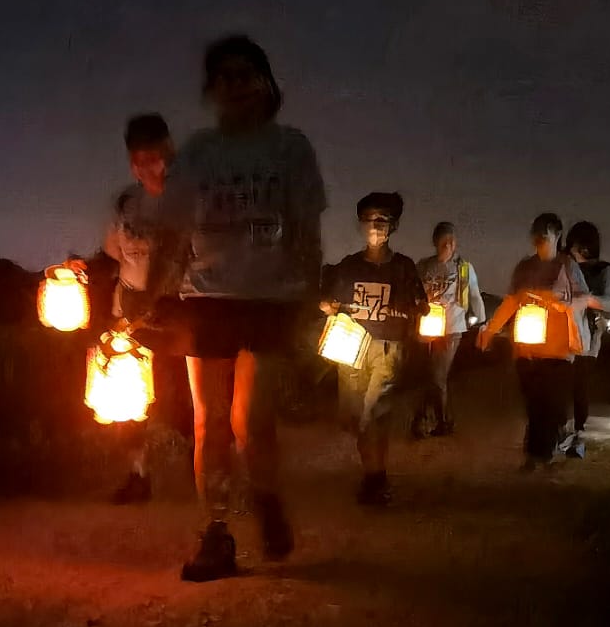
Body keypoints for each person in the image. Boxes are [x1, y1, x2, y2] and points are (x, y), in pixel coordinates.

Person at [149, 34, 327, 582]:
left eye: (246, 75)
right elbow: (173, 232)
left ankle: (266, 494)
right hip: (207, 298)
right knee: (208, 421)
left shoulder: (290, 148)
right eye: (225, 77)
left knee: (251, 419)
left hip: (272, 298)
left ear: (265, 83)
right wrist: (151, 294)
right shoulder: (199, 153)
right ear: (212, 89)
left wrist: (311, 295)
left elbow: (306, 230)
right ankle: (216, 531)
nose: (237, 86)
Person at [321, 193, 429, 504]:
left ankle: (377, 479)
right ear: (361, 224)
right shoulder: (349, 266)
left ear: (394, 226)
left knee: (375, 414)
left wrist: (410, 310)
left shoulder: (403, 267)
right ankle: (372, 474)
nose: (376, 226)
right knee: (357, 418)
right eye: (370, 220)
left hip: (387, 349)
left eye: (382, 220)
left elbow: (422, 306)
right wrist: (328, 305)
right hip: (351, 348)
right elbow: (328, 300)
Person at [477, 213, 597, 470]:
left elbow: (584, 298)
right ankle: (536, 452)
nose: (539, 237)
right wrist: (491, 329)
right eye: (536, 232)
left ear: (557, 235)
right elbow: (511, 301)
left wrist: (564, 303)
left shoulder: (567, 266)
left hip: (558, 349)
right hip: (528, 346)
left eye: (545, 232)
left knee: (551, 402)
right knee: (533, 402)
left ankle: (543, 451)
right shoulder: (525, 267)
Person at [102, 113, 178, 504]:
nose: (145, 167)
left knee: (178, 399)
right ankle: (138, 474)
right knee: (129, 400)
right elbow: (113, 253)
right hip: (128, 315)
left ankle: (215, 473)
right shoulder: (126, 205)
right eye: (137, 159)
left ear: (169, 152)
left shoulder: (188, 200)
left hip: (176, 314)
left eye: (153, 157)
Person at [412, 222, 486, 438]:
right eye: (444, 241)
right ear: (436, 242)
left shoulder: (463, 269)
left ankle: (440, 421)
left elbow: (475, 296)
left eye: (452, 241)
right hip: (426, 327)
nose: (449, 245)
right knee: (424, 376)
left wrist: (483, 323)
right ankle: (424, 419)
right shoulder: (424, 266)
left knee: (437, 376)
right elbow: (412, 291)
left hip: (451, 328)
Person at [563, 220, 610, 457]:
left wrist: (586, 300)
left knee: (580, 386)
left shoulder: (603, 271)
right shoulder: (564, 266)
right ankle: (560, 431)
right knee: (560, 384)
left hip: (588, 336)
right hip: (563, 335)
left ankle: (579, 435)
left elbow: (609, 302)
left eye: (576, 246)